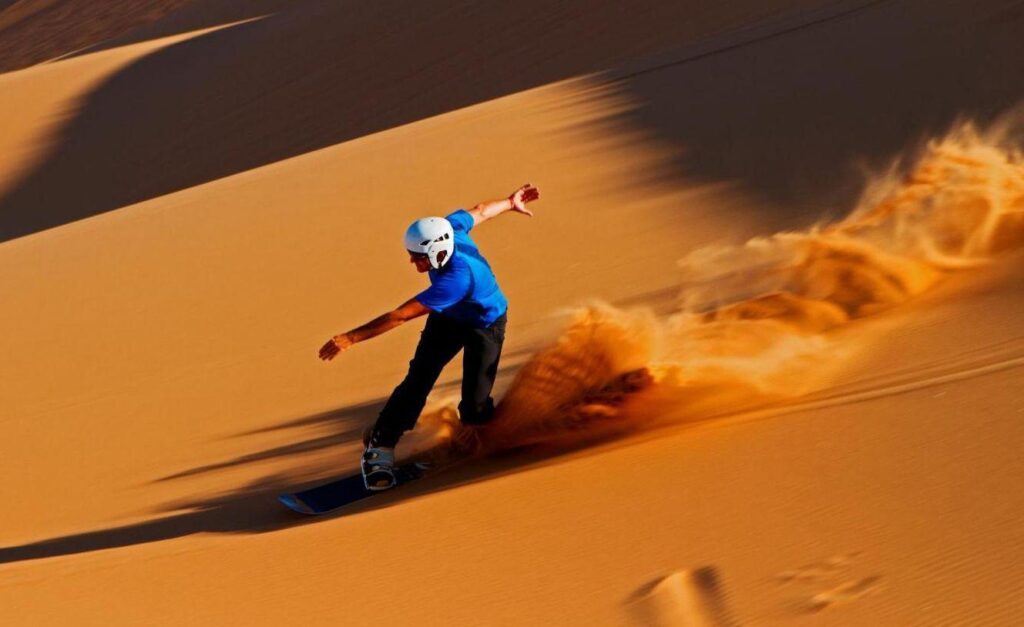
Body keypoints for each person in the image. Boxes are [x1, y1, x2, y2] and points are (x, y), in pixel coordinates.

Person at [318, 183, 541, 490]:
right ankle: (380, 446)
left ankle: (486, 432)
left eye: (418, 257)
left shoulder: (458, 278)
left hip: (485, 325)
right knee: (418, 380)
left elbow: (401, 315)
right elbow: (478, 212)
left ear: (437, 251)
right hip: (449, 319)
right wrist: (509, 202)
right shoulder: (448, 229)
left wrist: (351, 338)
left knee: (475, 410)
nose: (413, 262)